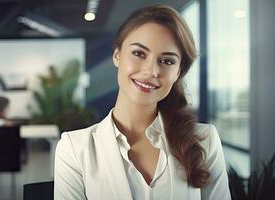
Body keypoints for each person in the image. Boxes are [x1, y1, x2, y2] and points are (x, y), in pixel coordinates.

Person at [54, 5, 230, 200]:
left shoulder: (204, 141)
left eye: (167, 61)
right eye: (139, 54)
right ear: (117, 56)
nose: (151, 71)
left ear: (178, 72)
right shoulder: (74, 148)